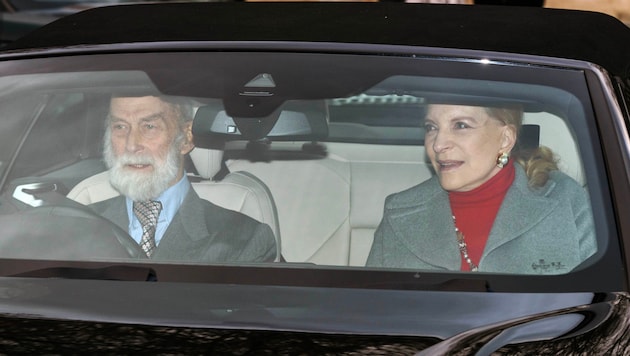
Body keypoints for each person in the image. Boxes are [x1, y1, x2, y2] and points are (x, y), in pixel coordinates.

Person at [366, 103, 596, 274]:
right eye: (431, 127)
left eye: (461, 125)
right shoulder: (399, 213)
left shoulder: (567, 200)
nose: (438, 144)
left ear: (506, 138)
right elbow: (371, 314)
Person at [90, 95, 277, 262]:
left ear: (186, 139)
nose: (131, 145)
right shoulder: (77, 224)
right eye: (120, 127)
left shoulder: (243, 240)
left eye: (149, 126)